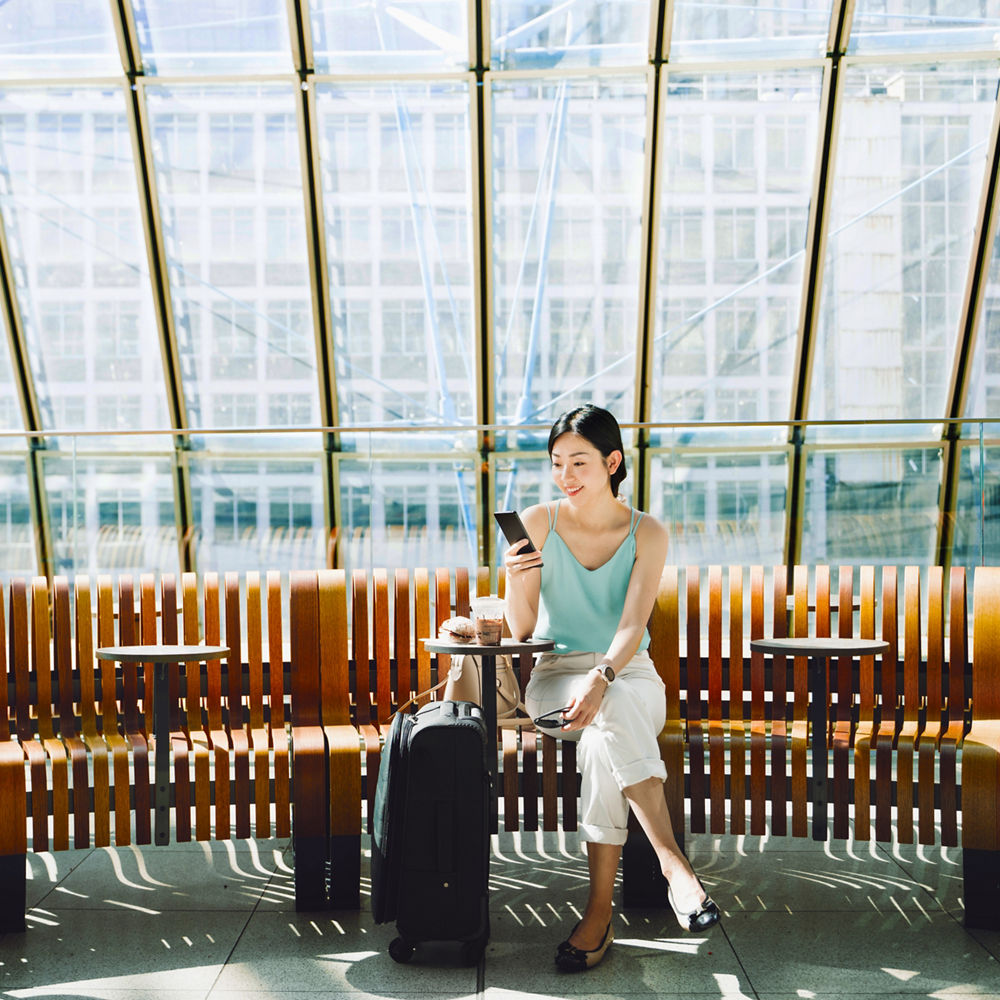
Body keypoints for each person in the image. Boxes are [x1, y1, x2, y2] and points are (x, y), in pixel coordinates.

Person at [503, 404, 720, 973]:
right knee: (607, 722)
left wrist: (603, 677)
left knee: (607, 731)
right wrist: (516, 577)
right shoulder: (540, 520)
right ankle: (673, 864)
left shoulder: (647, 531)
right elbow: (522, 633)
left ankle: (598, 914)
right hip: (555, 681)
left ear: (613, 462)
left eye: (579, 461)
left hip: (629, 674)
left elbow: (632, 625)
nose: (566, 475)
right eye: (557, 463)